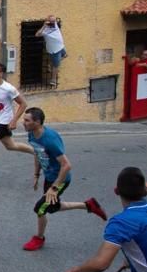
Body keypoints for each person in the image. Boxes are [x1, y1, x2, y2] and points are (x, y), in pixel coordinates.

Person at [21, 107, 108, 251]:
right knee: (53, 207)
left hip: (60, 179)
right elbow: (37, 152)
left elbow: (66, 165)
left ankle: (39, 238)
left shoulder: (50, 139)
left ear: (37, 122)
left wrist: (54, 188)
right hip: (49, 177)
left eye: (26, 120)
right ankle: (88, 205)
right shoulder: (31, 134)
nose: (23, 123)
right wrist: (36, 174)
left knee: (40, 208)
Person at [35, 15, 66, 88]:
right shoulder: (45, 31)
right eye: (51, 21)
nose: (52, 22)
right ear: (46, 22)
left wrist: (53, 20)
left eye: (53, 21)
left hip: (61, 46)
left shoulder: (55, 25)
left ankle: (50, 65)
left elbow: (54, 18)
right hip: (54, 50)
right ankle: (53, 80)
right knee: (56, 66)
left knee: (65, 55)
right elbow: (37, 35)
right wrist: (44, 26)